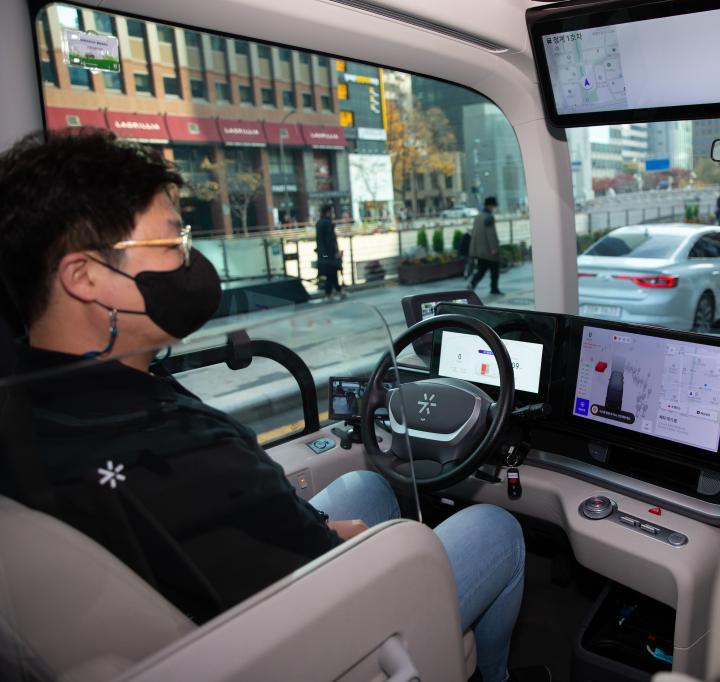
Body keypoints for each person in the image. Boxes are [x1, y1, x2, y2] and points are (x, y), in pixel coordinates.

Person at [0, 131, 539, 682]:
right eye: (171, 244)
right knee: (495, 526)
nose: (190, 262)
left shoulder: (31, 409)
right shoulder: (175, 447)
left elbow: (241, 533)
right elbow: (298, 551)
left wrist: (326, 529)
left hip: (208, 617)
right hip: (296, 647)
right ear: (85, 277)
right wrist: (346, 542)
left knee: (370, 486)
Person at [469, 196, 502, 295]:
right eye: (494, 206)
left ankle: (472, 284)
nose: (494, 208)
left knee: (482, 270)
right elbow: (491, 234)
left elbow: (474, 233)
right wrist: (494, 248)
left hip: (479, 250)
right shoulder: (489, 217)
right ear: (490, 206)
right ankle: (494, 288)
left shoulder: (478, 216)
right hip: (489, 251)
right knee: (495, 270)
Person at [315, 204, 344, 300]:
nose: (333, 214)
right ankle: (332, 292)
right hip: (329, 254)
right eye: (332, 212)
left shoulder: (319, 223)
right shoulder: (328, 223)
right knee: (332, 272)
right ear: (328, 212)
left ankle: (336, 291)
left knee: (331, 273)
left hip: (323, 254)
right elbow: (330, 240)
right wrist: (336, 252)